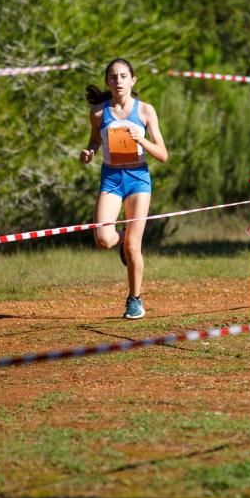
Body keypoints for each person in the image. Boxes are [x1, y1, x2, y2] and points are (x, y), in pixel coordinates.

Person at [80, 58, 168, 319]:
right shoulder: (98, 113)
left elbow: (163, 154)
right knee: (104, 240)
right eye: (113, 77)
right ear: (108, 81)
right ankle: (121, 238)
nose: (118, 81)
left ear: (133, 80)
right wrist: (89, 153)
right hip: (111, 178)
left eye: (123, 76)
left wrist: (141, 139)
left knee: (133, 246)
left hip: (138, 179)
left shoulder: (145, 111)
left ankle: (135, 299)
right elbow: (95, 141)